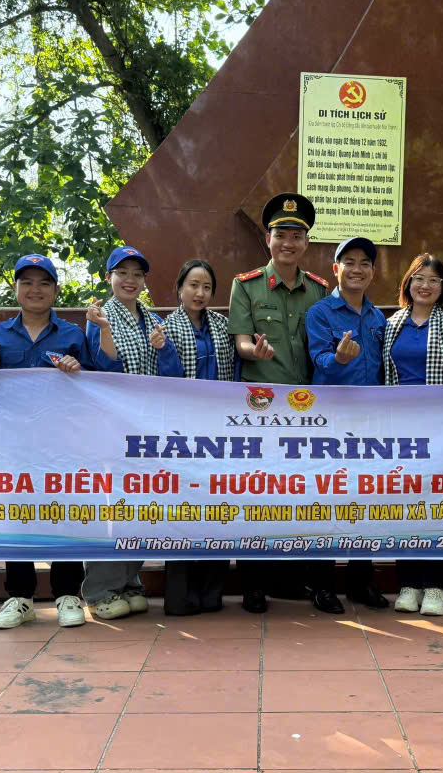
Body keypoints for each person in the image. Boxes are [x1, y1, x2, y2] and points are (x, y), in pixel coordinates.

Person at [227, 193, 334, 614]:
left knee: (315, 494)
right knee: (260, 494)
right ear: (268, 240)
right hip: (263, 407)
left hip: (311, 408)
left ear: (306, 242)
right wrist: (256, 351)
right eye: (280, 235)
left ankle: (313, 583)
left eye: (296, 235)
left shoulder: (321, 290)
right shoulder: (246, 285)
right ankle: (255, 585)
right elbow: (240, 341)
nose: (288, 242)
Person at [0, 254, 93, 629]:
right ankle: (20, 596)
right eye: (27, 282)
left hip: (62, 441)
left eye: (44, 283)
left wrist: (79, 371)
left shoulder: (73, 335)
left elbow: (96, 386)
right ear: (15, 289)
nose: (35, 290)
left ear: (56, 290)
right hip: (12, 441)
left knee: (64, 511)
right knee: (18, 514)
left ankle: (67, 593)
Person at [83, 244, 182, 619]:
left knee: (143, 504)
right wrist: (105, 330)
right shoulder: (100, 315)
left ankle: (129, 581)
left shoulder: (150, 318)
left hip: (148, 426)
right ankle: (100, 590)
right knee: (114, 506)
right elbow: (102, 365)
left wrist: (163, 347)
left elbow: (169, 374)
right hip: (113, 425)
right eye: (122, 273)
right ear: (109, 277)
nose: (130, 280)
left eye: (137, 274)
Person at [382, 253, 443, 616]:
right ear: (408, 283)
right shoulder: (392, 324)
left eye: (434, 280)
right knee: (405, 506)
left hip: (440, 424)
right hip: (399, 426)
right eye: (420, 278)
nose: (426, 286)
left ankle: (436, 587)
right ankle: (408, 583)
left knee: (439, 504)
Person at [305, 236, 389, 610]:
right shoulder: (320, 313)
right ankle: (321, 584)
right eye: (349, 262)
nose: (357, 269)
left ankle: (360, 581)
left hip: (370, 422)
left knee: (367, 499)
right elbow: (319, 361)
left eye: (365, 263)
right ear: (335, 269)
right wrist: (338, 359)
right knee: (326, 499)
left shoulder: (378, 318)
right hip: (331, 423)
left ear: (372, 272)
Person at [161, 259, 236, 615]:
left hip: (220, 434)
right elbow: (165, 379)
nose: (200, 293)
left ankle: (211, 592)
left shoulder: (223, 326)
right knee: (182, 511)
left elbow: (234, 374)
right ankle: (180, 595)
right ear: (179, 288)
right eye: (193, 285)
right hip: (182, 433)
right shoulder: (166, 327)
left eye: (207, 287)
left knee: (217, 509)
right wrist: (162, 350)